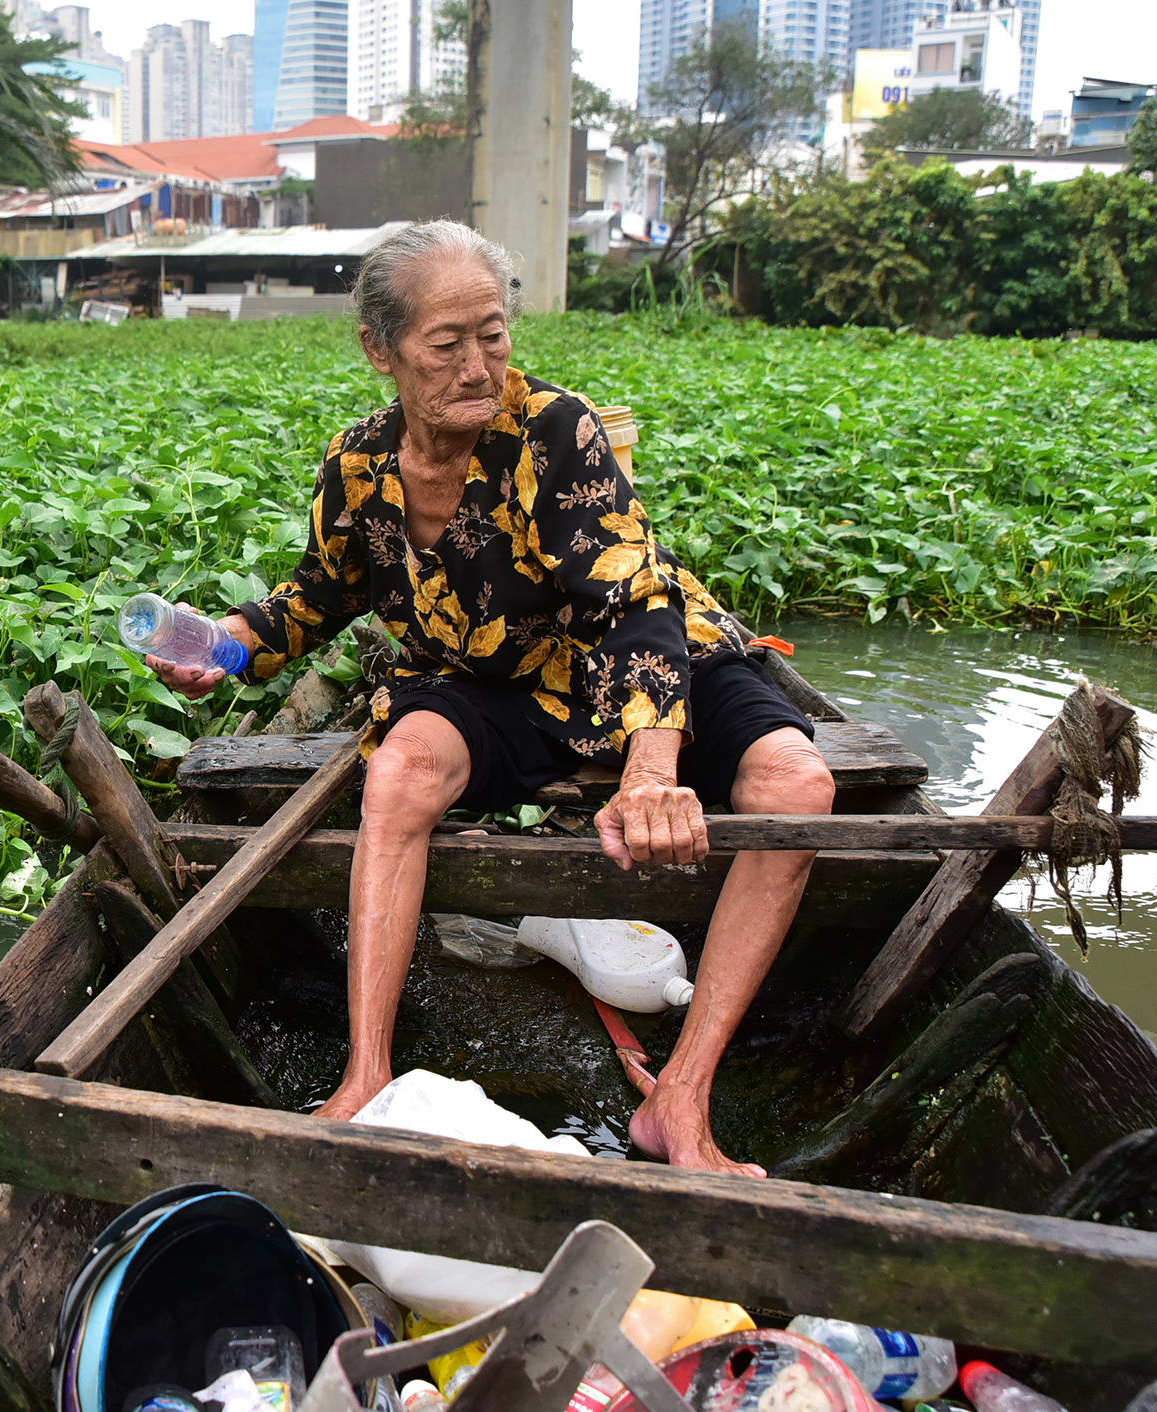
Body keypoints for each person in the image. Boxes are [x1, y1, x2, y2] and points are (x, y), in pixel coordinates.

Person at [146, 221, 832, 1177]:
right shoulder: (357, 470)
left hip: (639, 664)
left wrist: (651, 771)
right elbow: (314, 600)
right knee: (401, 772)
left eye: (494, 335)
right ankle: (367, 1076)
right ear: (381, 351)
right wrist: (225, 647)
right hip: (497, 686)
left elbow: (636, 604)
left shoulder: (557, 429)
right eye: (447, 343)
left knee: (796, 785)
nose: (479, 365)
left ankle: (680, 1098)